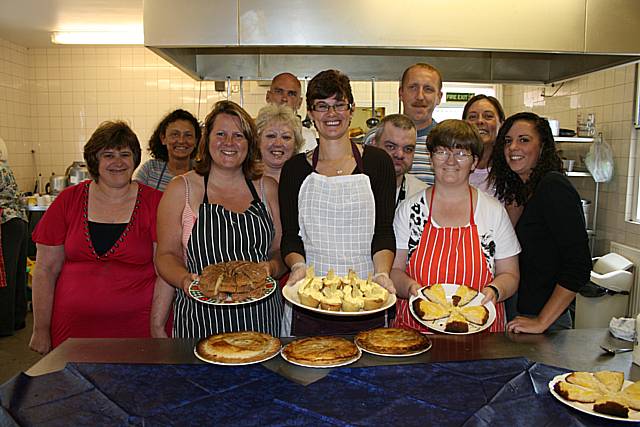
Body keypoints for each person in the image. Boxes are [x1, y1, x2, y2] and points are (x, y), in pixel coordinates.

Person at [29, 121, 165, 354]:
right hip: (71, 331)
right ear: (94, 160)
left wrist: (157, 325)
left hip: (138, 331)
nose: (118, 162)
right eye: (108, 155)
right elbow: (45, 270)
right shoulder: (68, 200)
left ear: (135, 158)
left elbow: (165, 269)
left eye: (125, 154)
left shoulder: (156, 203)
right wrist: (41, 329)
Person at [154, 100, 285, 338]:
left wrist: (273, 266)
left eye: (238, 136)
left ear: (249, 144)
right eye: (221, 134)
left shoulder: (267, 188)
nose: (229, 143)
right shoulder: (181, 189)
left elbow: (279, 250)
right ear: (207, 140)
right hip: (200, 321)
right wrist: (184, 280)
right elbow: (165, 255)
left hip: (261, 321)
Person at [279, 69, 396, 336]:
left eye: (339, 105)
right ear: (310, 113)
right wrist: (297, 267)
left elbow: (383, 231)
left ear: (351, 109)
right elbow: (290, 236)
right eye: (322, 106)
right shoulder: (295, 169)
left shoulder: (378, 163)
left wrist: (382, 274)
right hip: (309, 297)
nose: (331, 115)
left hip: (367, 297)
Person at [391, 120, 520, 332]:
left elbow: (510, 274)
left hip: (481, 334)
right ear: (431, 159)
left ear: (474, 161)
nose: (451, 161)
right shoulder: (410, 210)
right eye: (442, 152)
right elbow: (395, 270)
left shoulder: (493, 211)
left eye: (461, 153)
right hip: (416, 333)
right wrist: (409, 288)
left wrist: (495, 291)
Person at [489, 112, 591, 333]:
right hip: (521, 313)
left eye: (524, 140)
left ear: (543, 146)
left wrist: (542, 321)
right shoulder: (523, 191)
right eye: (508, 141)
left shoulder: (553, 187)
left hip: (547, 322)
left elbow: (579, 266)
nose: (513, 147)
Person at [365, 63, 443, 184]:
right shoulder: (374, 137)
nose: (420, 96)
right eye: (413, 87)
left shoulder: (446, 143)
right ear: (401, 93)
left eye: (428, 89)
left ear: (439, 97)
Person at [134, 109, 201, 191]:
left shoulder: (202, 171)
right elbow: (134, 198)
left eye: (188, 135)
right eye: (175, 134)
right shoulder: (150, 169)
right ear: (163, 139)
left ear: (196, 141)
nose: (181, 141)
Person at [0, 150, 28, 336]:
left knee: (4, 277)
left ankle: (3, 326)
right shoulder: (4, 166)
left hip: (4, 222)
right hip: (18, 221)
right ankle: (18, 320)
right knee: (17, 272)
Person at [372, 114, 427, 208]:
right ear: (374, 145)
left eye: (408, 149)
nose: (400, 155)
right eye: (391, 147)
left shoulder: (422, 195)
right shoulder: (357, 188)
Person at [462, 95, 505, 196]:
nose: (480, 121)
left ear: (501, 124)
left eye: (488, 116)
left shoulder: (510, 168)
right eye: (473, 117)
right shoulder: (453, 164)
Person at [266, 72, 317, 152]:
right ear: (268, 97)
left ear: (299, 103)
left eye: (291, 94)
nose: (284, 99)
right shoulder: (254, 134)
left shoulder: (307, 137)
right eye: (279, 92)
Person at [255, 103, 305, 182]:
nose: (278, 143)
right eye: (271, 136)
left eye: (286, 137)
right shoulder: (243, 180)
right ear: (258, 141)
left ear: (296, 144)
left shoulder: (306, 180)